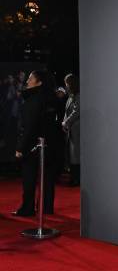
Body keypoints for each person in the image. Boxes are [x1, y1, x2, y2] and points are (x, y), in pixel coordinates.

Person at [13, 70, 62, 216]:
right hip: (52, 145)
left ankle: (27, 209)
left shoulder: (34, 99)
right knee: (48, 178)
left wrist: (20, 147)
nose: (27, 81)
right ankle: (46, 208)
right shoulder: (52, 99)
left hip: (33, 146)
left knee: (29, 177)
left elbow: (30, 125)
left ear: (39, 82)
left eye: (30, 78)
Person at [62, 74, 80, 186]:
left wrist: (66, 122)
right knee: (72, 155)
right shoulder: (70, 97)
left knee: (76, 155)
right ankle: (73, 177)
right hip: (71, 129)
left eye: (67, 83)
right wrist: (65, 123)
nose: (66, 86)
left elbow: (76, 112)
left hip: (77, 129)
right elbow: (67, 112)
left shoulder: (78, 96)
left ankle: (76, 178)